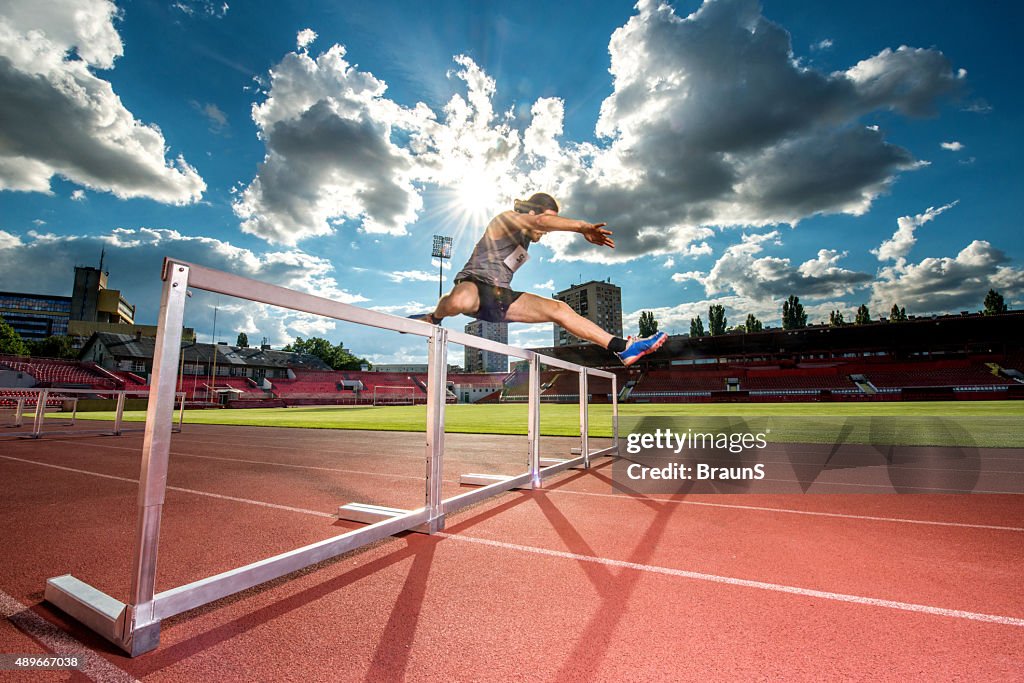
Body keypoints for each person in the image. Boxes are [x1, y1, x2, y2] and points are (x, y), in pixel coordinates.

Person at [414, 192, 667, 366]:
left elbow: (541, 223)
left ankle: (623, 348)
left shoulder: (526, 240)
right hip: (474, 284)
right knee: (462, 299)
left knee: (559, 309)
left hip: (501, 297)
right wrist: (582, 227)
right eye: (547, 220)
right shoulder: (505, 220)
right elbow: (540, 221)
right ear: (532, 211)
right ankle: (434, 317)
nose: (545, 230)